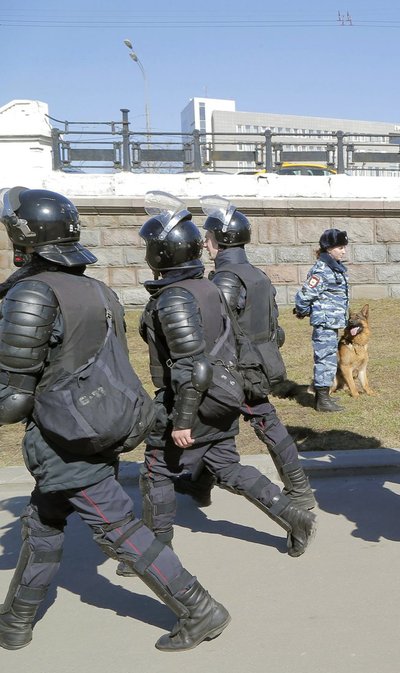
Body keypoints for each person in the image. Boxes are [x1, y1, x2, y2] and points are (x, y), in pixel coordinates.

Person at [0, 187, 229, 652]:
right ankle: (16, 619)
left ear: (22, 236)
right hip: (94, 424)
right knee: (43, 521)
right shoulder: (95, 288)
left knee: (119, 529)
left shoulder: (33, 295)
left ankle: (199, 608)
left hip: (66, 439)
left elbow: (14, 400)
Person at [125, 191, 315, 569]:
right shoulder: (207, 285)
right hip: (221, 393)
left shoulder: (177, 297)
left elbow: (191, 365)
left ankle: (156, 556)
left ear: (162, 253)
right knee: (226, 466)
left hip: (192, 399)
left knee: (156, 471)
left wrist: (181, 421)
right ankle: (294, 516)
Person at [172, 195, 315, 511]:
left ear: (220, 240)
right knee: (217, 424)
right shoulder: (256, 274)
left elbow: (218, 329)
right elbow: (275, 328)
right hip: (259, 362)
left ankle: (299, 492)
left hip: (238, 368)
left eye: (208, 237)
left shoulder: (226, 278)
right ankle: (198, 485)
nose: (205, 244)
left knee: (262, 424)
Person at [294, 228, 349, 413]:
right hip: (325, 322)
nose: (344, 251)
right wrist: (302, 311)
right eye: (340, 247)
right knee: (325, 359)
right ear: (328, 248)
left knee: (328, 359)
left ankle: (323, 396)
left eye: (344, 247)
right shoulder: (322, 270)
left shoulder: (334, 267)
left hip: (331, 321)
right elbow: (304, 295)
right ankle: (322, 400)